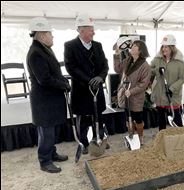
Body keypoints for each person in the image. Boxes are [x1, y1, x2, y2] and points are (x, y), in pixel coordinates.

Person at [26, 17, 70, 173]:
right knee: (46, 131)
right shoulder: (36, 53)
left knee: (50, 131)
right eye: (50, 34)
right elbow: (44, 79)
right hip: (44, 101)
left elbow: (54, 72)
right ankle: (45, 161)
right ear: (43, 35)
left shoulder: (43, 49)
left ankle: (51, 153)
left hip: (50, 99)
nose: (53, 37)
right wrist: (63, 84)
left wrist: (63, 80)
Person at [64, 14, 109, 154]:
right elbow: (71, 67)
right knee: (82, 118)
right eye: (91, 30)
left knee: (98, 116)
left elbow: (105, 64)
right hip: (82, 89)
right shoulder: (70, 46)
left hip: (97, 89)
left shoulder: (98, 45)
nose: (93, 32)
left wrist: (101, 77)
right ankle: (83, 143)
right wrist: (89, 80)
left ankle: (99, 139)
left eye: (93, 29)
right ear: (81, 30)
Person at [114, 39, 151, 145]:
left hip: (136, 96)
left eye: (134, 46)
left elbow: (143, 84)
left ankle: (140, 136)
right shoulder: (128, 60)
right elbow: (117, 69)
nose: (131, 47)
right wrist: (117, 55)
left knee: (138, 118)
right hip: (125, 94)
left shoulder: (145, 66)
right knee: (127, 116)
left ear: (140, 50)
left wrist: (131, 91)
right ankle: (131, 134)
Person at [150, 34, 184, 131]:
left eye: (166, 47)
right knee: (161, 118)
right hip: (160, 93)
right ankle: (162, 139)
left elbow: (182, 78)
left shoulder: (179, 62)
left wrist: (172, 89)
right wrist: (157, 70)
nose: (163, 49)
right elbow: (149, 70)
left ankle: (181, 136)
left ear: (172, 47)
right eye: (163, 46)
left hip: (173, 94)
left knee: (176, 117)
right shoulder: (157, 59)